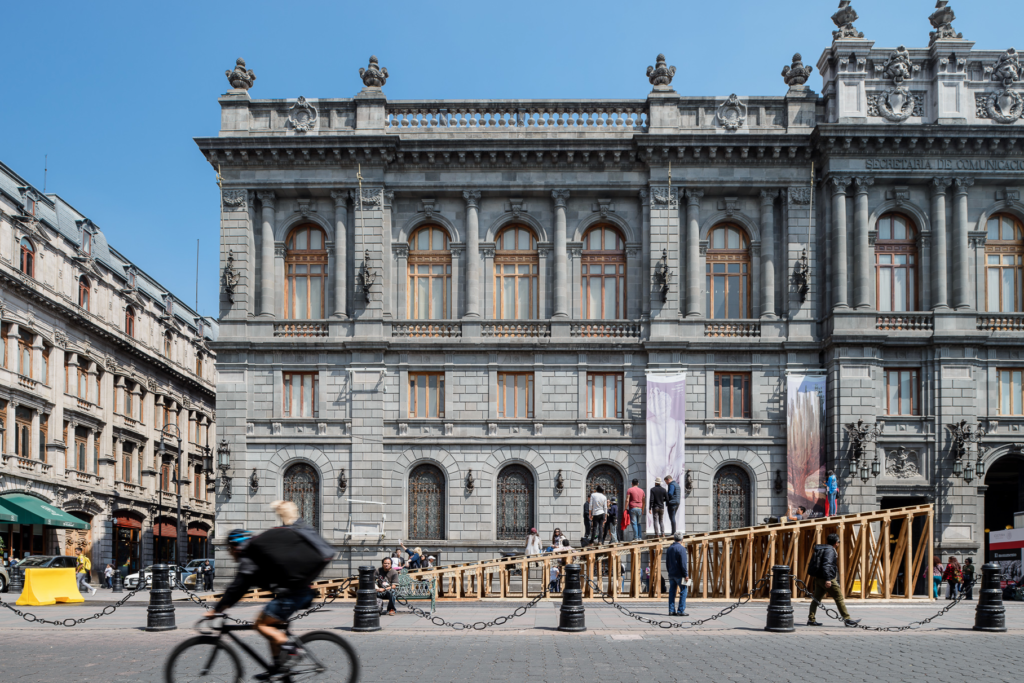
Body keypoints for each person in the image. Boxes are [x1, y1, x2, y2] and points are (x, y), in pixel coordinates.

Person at [205, 500, 335, 678]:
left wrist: (217, 609)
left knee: (261, 624)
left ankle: (293, 650)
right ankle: (277, 668)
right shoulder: (257, 552)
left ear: (236, 546)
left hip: (293, 594)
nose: (229, 553)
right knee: (271, 627)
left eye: (229, 548)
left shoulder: (248, 556)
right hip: (298, 591)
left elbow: (238, 587)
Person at [807, 533, 859, 627]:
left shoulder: (822, 548)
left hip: (818, 578)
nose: (839, 543)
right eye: (838, 541)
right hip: (827, 578)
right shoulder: (830, 550)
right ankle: (847, 619)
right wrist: (828, 579)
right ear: (836, 542)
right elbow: (827, 565)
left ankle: (811, 619)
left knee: (816, 599)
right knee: (839, 597)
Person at [665, 531, 689, 616]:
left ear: (674, 538)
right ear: (682, 539)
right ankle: (680, 610)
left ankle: (671, 610)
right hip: (680, 575)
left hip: (672, 573)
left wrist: (669, 571)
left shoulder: (670, 548)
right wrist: (686, 574)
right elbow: (683, 564)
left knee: (672, 592)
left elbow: (667, 562)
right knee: (684, 591)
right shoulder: (682, 548)